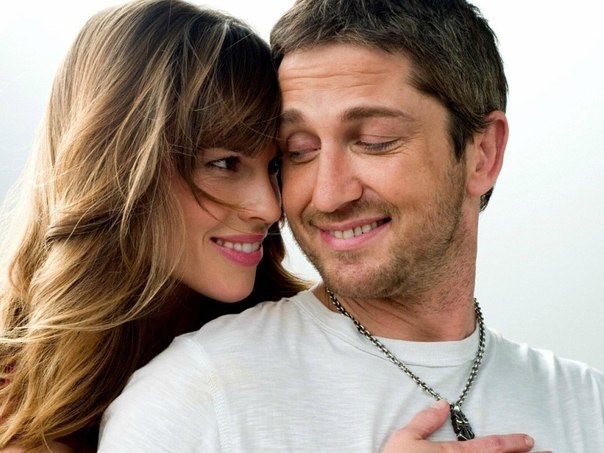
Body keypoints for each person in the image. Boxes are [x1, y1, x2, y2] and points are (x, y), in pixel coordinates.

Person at [99, 0, 604, 451]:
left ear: (483, 154)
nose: (328, 194)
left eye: (374, 141)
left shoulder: (588, 403)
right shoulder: (192, 400)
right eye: (298, 151)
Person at [0, 0, 310, 450]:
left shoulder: (315, 339)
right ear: (118, 166)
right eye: (225, 163)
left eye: (275, 166)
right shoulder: (16, 395)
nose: (269, 207)